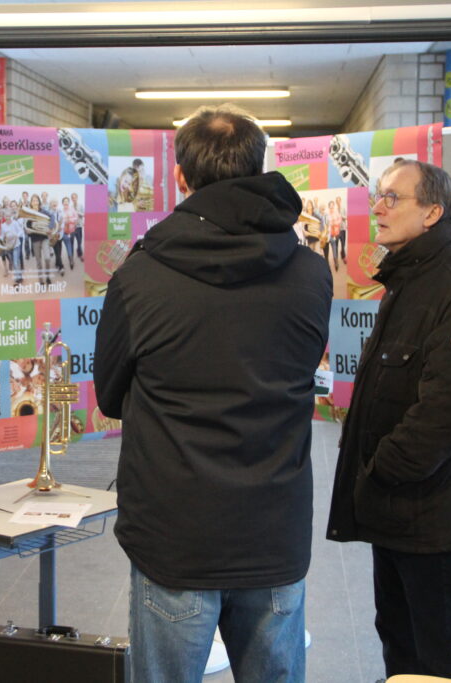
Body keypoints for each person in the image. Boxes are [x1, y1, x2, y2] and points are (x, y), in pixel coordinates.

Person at [94, 104, 332, 683]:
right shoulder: (311, 274)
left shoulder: (139, 277)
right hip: (274, 529)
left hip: (176, 534)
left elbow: (109, 395)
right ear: (260, 168)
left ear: (181, 176)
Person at [327, 159, 451, 683]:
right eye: (378, 196)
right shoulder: (408, 280)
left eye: (392, 198)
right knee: (401, 641)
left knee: (444, 653)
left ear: (432, 212)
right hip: (396, 508)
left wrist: (384, 468)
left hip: (427, 510)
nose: (378, 207)